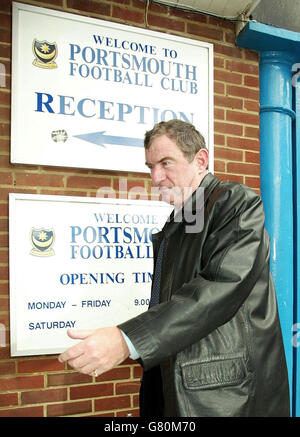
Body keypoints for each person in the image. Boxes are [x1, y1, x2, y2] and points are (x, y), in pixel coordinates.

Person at [59, 119, 290, 417]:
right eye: (150, 166)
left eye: (166, 163)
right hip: (176, 383)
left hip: (227, 396)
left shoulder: (235, 203)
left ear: (201, 160)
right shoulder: (179, 220)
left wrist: (127, 339)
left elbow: (221, 286)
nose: (156, 177)